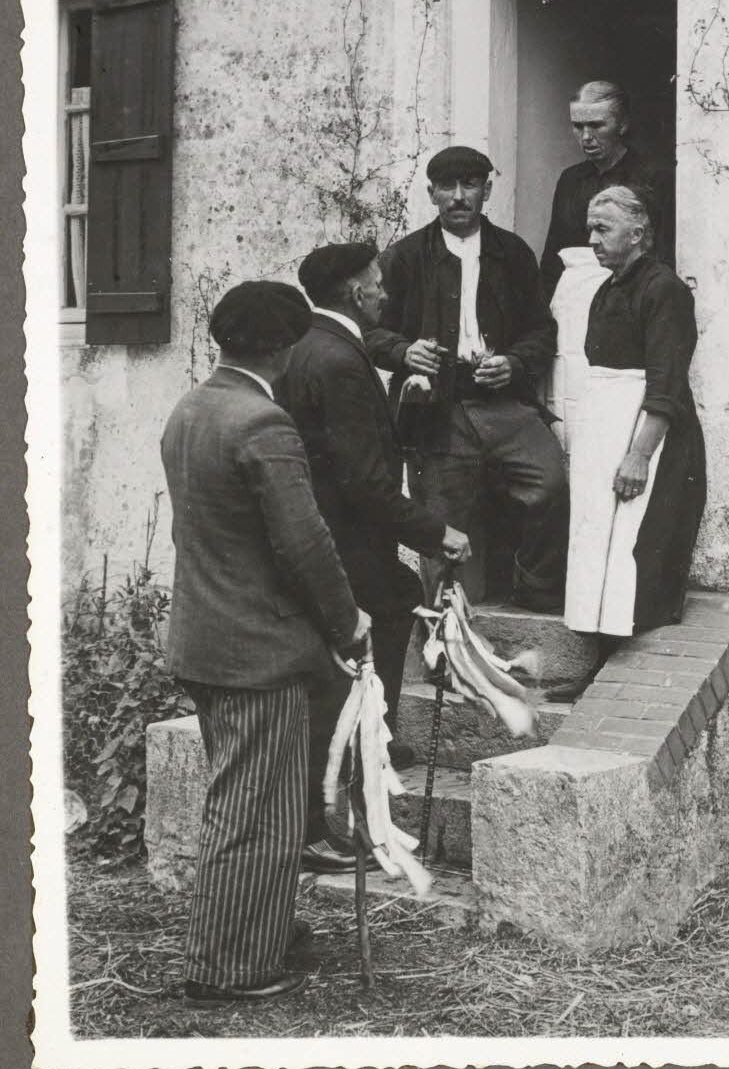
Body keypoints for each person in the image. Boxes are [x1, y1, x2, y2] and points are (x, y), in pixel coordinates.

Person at [160, 280, 370, 1006]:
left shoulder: (191, 407)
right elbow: (304, 544)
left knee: (254, 803)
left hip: (206, 638)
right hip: (255, 650)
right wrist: (347, 622)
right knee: (256, 814)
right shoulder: (262, 422)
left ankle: (260, 933)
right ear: (284, 349)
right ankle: (226, 969)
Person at [280, 242, 470, 856]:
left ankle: (372, 740)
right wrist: (435, 532)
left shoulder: (305, 344)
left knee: (390, 605)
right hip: (346, 541)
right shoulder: (339, 359)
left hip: (323, 536)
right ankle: (360, 761)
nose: (385, 294)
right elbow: (363, 481)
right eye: (378, 284)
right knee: (387, 610)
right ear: (356, 293)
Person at [365, 145, 569, 612]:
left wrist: (514, 363)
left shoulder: (511, 253)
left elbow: (542, 330)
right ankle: (443, 629)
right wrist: (403, 351)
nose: (459, 196)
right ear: (431, 193)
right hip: (435, 409)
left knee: (549, 483)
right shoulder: (404, 257)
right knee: (441, 522)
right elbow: (367, 330)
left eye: (470, 185)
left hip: (503, 403)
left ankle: (534, 590)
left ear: (487, 190)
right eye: (447, 187)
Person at [547, 186, 706, 703]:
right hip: (604, 427)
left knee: (627, 547)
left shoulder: (664, 290)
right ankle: (594, 665)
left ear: (637, 232)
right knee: (596, 539)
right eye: (590, 229)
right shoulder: (608, 288)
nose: (592, 239)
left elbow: (666, 382)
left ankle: (617, 675)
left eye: (603, 228)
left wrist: (639, 454)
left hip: (643, 432)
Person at [539, 80, 667, 303]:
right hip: (571, 299)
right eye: (578, 126)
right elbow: (553, 253)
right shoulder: (570, 179)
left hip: (628, 300)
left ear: (622, 125)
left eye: (596, 125)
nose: (586, 137)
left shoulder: (653, 179)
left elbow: (663, 254)